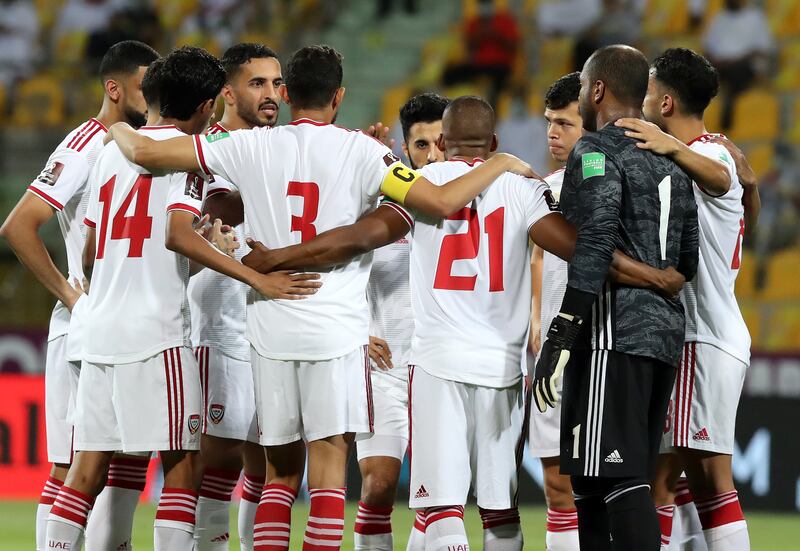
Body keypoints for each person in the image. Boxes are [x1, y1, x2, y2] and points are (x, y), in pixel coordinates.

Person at [105, 44, 535, 551]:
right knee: (328, 478)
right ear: (340, 96)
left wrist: (113, 121)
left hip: (269, 329)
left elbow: (146, 152)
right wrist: (501, 161)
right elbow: (441, 201)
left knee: (278, 477)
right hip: (335, 332)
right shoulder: (363, 152)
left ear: (286, 94)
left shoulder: (251, 147)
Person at [238, 96, 686, 551]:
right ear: (493, 142)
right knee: (500, 510)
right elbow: (588, 253)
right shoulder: (522, 189)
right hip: (501, 369)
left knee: (441, 508)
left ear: (443, 143)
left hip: (436, 364)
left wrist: (277, 257)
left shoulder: (418, 185)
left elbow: (357, 238)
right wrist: (655, 276)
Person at [45, 45, 312, 551]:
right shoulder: (191, 161)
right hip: (157, 332)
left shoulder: (109, 153)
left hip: (98, 327)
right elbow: (175, 235)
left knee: (86, 469)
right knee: (186, 465)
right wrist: (251, 274)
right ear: (208, 105)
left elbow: (91, 247)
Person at [533, 45, 699, 551]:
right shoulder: (669, 157)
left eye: (583, 88)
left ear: (598, 90)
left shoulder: (597, 150)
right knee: (590, 483)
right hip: (662, 337)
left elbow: (596, 237)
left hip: (612, 335)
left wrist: (563, 329)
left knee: (618, 480)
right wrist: (660, 279)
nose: (582, 96)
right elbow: (686, 260)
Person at [0, 40, 159, 551]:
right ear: (114, 89)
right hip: (86, 327)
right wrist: (72, 297)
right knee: (73, 464)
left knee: (113, 460)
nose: (151, 95)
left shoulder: (141, 144)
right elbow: (21, 224)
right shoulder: (86, 143)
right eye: (143, 86)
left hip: (117, 326)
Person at [619, 47, 758, 550]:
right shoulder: (700, 158)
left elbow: (722, 177)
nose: (644, 99)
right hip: (705, 335)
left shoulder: (712, 152)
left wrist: (669, 146)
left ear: (668, 101)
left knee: (697, 482)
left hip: (703, 336)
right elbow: (739, 202)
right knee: (676, 479)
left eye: (650, 90)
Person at [187, 42, 286, 551]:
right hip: (221, 316)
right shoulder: (208, 149)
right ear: (227, 93)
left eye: (276, 84)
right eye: (257, 84)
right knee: (219, 457)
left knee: (268, 457)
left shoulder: (282, 146)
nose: (272, 95)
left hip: (269, 315)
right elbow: (203, 216)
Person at [354, 92, 449, 551]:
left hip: (441, 369)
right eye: (422, 145)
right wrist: (357, 329)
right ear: (405, 151)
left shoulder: (467, 201)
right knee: (377, 488)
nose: (433, 155)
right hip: (385, 368)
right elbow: (333, 268)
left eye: (440, 143)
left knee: (435, 497)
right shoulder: (376, 205)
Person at [529, 71, 584, 551]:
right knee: (556, 486)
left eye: (565, 123)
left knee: (612, 486)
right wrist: (533, 317)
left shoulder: (618, 181)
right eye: (550, 122)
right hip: (552, 349)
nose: (553, 133)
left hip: (603, 347)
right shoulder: (541, 188)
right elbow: (538, 254)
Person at [703, 0, 774, 130]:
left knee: (736, 72)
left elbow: (762, 51)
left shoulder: (755, 18)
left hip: (745, 66)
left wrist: (736, 60)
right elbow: (708, 49)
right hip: (721, 65)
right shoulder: (718, 18)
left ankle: (728, 110)